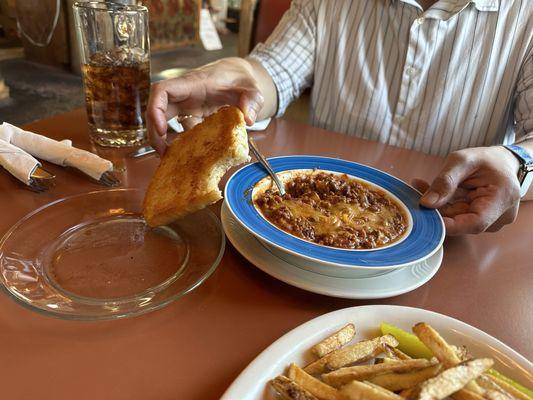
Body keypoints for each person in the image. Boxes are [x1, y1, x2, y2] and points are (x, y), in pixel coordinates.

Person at [146, 0, 533, 235]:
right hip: (294, 237)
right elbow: (274, 69)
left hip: (454, 243)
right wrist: (236, 76)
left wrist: (518, 161)